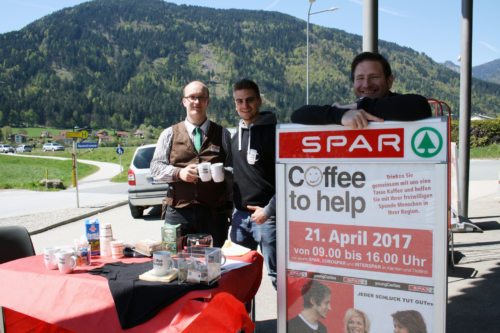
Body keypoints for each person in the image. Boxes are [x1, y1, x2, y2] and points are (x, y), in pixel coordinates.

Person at [150, 80, 232, 248]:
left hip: (214, 213)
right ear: (184, 101)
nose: (197, 102)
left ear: (207, 101)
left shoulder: (223, 134)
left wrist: (223, 173)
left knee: (215, 264)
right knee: (173, 259)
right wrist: (179, 173)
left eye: (201, 97)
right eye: (192, 97)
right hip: (178, 212)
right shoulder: (168, 134)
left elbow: (234, 170)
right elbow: (155, 169)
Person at [291, 51, 432, 129]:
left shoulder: (402, 106)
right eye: (359, 78)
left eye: (374, 77)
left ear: (389, 81)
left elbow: (421, 106)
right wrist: (340, 116)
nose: (366, 84)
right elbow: (298, 115)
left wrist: (359, 105)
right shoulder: (349, 112)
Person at [229, 78, 277, 288]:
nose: (244, 106)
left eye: (249, 100)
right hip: (240, 218)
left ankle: (289, 321)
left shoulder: (276, 133)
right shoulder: (233, 137)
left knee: (277, 275)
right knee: (237, 276)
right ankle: (242, 321)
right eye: (239, 101)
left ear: (259, 101)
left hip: (267, 217)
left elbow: (289, 180)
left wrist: (268, 210)